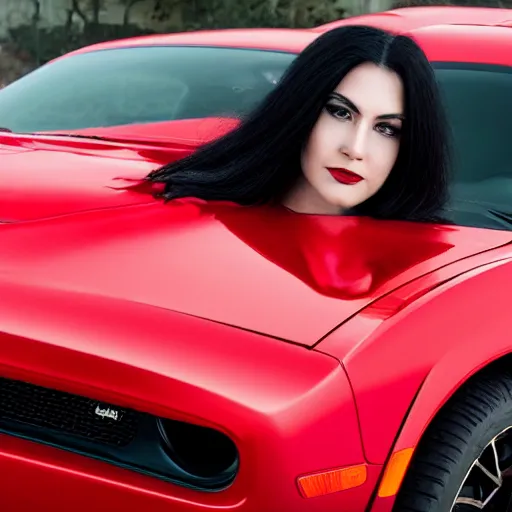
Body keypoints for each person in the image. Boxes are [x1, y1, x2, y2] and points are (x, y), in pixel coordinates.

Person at [143, 25, 451, 222]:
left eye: (387, 129)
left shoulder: (425, 260)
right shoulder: (189, 214)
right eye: (340, 112)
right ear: (300, 108)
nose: (355, 149)